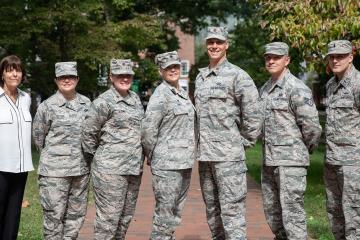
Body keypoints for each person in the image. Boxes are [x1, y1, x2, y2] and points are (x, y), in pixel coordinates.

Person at [194, 26, 262, 239]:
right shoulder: (201, 77)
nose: (214, 46)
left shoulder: (238, 76)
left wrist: (242, 142)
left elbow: (253, 113)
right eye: (210, 42)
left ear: (226, 45)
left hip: (228, 158)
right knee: (213, 211)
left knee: (232, 212)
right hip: (205, 157)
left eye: (218, 42)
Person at [259, 42, 322, 240]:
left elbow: (312, 127)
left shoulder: (296, 88)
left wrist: (302, 151)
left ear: (287, 60)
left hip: (291, 162)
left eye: (276, 57)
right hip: (269, 161)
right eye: (268, 57)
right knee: (273, 215)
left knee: (292, 217)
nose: (271, 60)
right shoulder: (265, 89)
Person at [82, 59, 144, 239]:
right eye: (120, 75)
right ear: (111, 77)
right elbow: (88, 134)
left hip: (133, 169)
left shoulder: (135, 99)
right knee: (108, 221)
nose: (124, 78)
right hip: (110, 171)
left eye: (128, 75)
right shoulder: (103, 102)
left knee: (125, 219)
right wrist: (102, 158)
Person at [32, 62, 91, 239]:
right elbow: (38, 138)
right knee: (53, 219)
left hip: (80, 172)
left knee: (75, 218)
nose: (67, 80)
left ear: (77, 79)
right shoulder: (47, 106)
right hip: (54, 173)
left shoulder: (87, 103)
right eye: (62, 77)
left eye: (71, 77)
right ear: (56, 80)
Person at [142, 51, 196, 239]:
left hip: (184, 162)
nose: (173, 70)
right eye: (168, 68)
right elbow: (149, 129)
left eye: (175, 67)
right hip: (167, 165)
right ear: (161, 71)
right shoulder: (161, 94)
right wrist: (152, 155)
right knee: (164, 216)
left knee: (174, 214)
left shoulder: (181, 92)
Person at [324, 40, 360, 240]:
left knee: (354, 215)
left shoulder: (357, 83)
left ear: (351, 57)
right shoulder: (330, 85)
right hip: (331, 160)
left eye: (340, 56)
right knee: (334, 212)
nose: (335, 60)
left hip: (353, 163)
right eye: (332, 57)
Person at [0, 55, 34, 240]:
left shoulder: (26, 98)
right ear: (2, 74)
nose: (14, 73)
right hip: (0, 166)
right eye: (10, 69)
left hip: (21, 167)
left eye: (18, 70)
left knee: (13, 214)